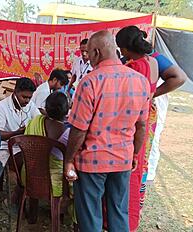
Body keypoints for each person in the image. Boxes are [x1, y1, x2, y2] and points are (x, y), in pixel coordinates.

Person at [64, 31, 150, 232]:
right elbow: (142, 126)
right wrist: (135, 153)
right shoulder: (140, 81)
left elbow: (79, 130)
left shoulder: (90, 82)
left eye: (89, 53)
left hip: (92, 162)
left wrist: (69, 160)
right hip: (122, 160)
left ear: (96, 52)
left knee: (90, 215)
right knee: (119, 212)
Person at [116, 25, 159, 232]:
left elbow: (124, 104)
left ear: (125, 47)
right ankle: (131, 220)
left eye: (121, 48)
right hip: (148, 117)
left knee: (127, 171)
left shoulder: (133, 68)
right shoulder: (153, 63)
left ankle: (122, 222)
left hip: (135, 122)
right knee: (139, 165)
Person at [145, 52, 187, 182]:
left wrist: (152, 94)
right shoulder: (129, 58)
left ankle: (149, 174)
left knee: (152, 138)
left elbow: (180, 78)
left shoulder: (156, 58)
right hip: (140, 107)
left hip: (152, 106)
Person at [24, 91, 70, 197]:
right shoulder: (68, 134)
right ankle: (64, 207)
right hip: (55, 183)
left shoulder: (35, 121)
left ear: (46, 108)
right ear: (66, 111)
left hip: (28, 175)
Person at [0, 78, 40, 159]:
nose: (27, 101)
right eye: (24, 97)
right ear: (15, 92)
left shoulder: (30, 105)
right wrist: (16, 133)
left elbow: (39, 119)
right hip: (7, 148)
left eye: (29, 97)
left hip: (25, 146)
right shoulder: (0, 107)